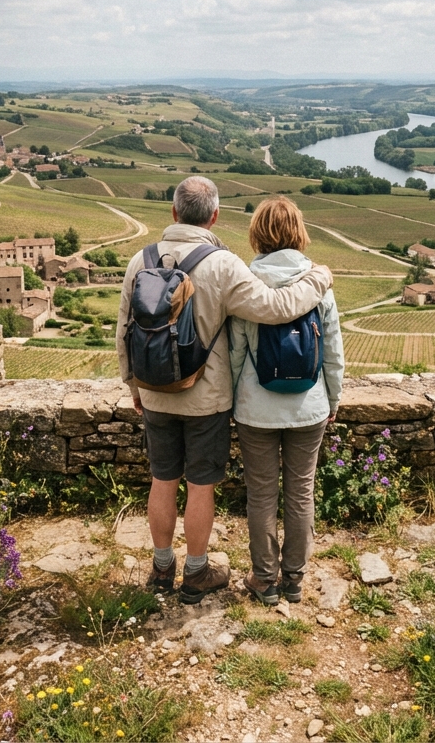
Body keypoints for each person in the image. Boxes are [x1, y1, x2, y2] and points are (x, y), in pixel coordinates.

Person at [116, 177, 333, 605]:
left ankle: (162, 568)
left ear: (174, 213)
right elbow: (277, 308)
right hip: (207, 398)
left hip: (154, 392)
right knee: (200, 486)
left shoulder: (138, 262)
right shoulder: (223, 264)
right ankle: (196, 574)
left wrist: (132, 386)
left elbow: (122, 332)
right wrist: (318, 279)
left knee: (162, 480)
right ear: (214, 216)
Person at [229, 197, 344, 606]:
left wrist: (232, 400)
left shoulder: (245, 281)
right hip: (308, 407)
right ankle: (294, 578)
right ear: (299, 232)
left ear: (257, 232)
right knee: (300, 491)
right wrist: (333, 399)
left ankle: (265, 579)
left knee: (260, 494)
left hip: (255, 410)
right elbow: (332, 351)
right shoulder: (319, 282)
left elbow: (236, 353)